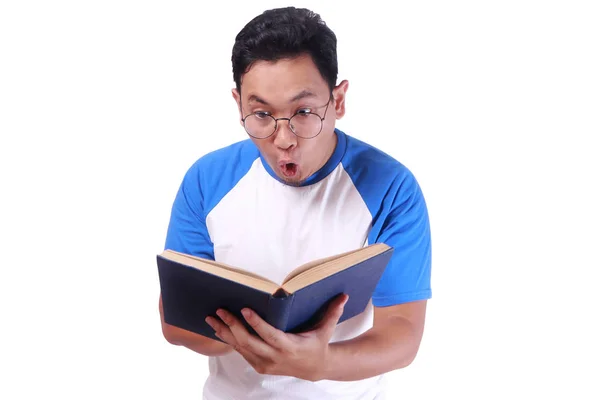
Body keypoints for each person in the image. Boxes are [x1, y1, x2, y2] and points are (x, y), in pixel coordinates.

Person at [159, 6, 432, 400]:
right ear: (238, 104)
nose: (283, 138)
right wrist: (248, 339)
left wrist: (321, 364)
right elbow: (175, 321)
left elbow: (402, 332)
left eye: (303, 112)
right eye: (261, 114)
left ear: (337, 101)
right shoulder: (207, 180)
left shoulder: (391, 186)